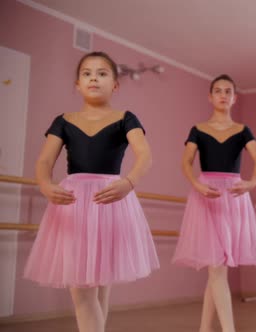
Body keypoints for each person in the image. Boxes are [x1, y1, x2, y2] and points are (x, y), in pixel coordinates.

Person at [24, 51, 159, 332]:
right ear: (77, 84)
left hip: (111, 200)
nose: (93, 78)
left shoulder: (125, 117)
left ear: (115, 84)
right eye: (87, 73)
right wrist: (46, 185)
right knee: (82, 290)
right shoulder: (63, 120)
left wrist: (129, 182)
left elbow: (144, 154)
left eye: (102, 73)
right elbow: (45, 161)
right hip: (73, 204)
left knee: (101, 288)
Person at [172, 74, 256, 332]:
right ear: (210, 96)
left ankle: (205, 329)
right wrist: (197, 185)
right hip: (206, 196)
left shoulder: (242, 130)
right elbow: (185, 162)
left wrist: (250, 183)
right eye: (218, 90)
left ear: (234, 98)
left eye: (228, 91)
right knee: (216, 269)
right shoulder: (198, 129)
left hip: (233, 198)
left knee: (217, 270)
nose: (223, 95)